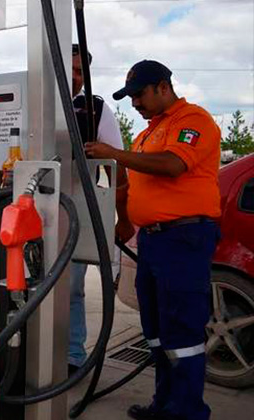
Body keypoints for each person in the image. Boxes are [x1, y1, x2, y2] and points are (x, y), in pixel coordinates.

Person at [86, 60, 221, 420]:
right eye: (130, 97)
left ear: (163, 87)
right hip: (153, 240)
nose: (134, 103)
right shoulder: (148, 133)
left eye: (139, 94)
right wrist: (125, 219)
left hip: (184, 237)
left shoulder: (193, 120)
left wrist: (113, 153)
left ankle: (188, 412)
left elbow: (173, 165)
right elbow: (134, 182)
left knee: (183, 332)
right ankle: (165, 405)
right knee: (157, 331)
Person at [68, 44, 134, 374]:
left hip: (78, 210)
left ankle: (71, 356)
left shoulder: (95, 109)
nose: (76, 78)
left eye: (82, 72)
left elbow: (115, 165)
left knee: (71, 287)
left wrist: (119, 213)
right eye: (72, 69)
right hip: (28, 210)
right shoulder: (30, 101)